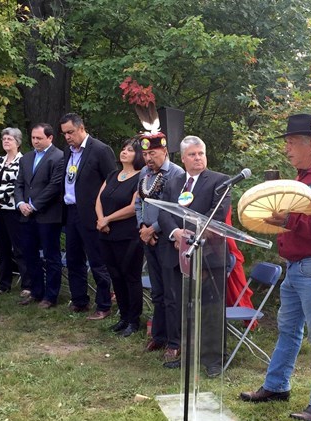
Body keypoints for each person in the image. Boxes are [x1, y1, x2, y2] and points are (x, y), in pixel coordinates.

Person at [240, 113, 311, 421]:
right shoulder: (302, 177)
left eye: (291, 143)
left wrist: (291, 221)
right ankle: (277, 387)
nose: (287, 149)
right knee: (288, 331)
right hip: (297, 267)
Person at [158, 135, 231, 375]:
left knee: (210, 308)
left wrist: (192, 236)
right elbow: (164, 213)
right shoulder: (174, 181)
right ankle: (188, 354)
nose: (198, 158)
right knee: (183, 305)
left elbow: (217, 215)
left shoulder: (220, 181)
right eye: (192, 154)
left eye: (201, 153)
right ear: (182, 158)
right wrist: (176, 233)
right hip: (178, 255)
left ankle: (213, 359)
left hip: (209, 256)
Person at [60, 113, 117, 320]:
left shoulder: (100, 150)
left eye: (71, 132)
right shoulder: (68, 152)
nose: (67, 137)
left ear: (81, 128)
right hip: (71, 211)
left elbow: (112, 183)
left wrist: (105, 216)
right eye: (64, 133)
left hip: (93, 213)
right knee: (74, 258)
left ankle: (103, 304)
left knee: (97, 260)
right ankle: (79, 300)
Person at [134, 131, 184, 361]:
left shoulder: (176, 174)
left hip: (166, 238)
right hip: (147, 236)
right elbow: (139, 202)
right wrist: (142, 228)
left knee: (171, 294)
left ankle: (175, 342)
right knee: (157, 292)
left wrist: (153, 229)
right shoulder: (144, 172)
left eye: (152, 153)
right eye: (145, 154)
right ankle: (159, 335)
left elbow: (174, 209)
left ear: (164, 151)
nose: (148, 158)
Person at [95, 138, 146, 337]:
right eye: (123, 149)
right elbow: (99, 198)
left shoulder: (141, 177)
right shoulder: (113, 174)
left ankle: (134, 320)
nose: (124, 152)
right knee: (115, 275)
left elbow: (134, 207)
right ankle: (123, 316)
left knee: (130, 276)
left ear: (139, 155)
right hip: (106, 233)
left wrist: (108, 219)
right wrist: (101, 219)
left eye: (130, 150)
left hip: (128, 234)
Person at [15, 123, 65, 308]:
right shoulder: (26, 158)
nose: (35, 141)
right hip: (26, 215)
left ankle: (50, 296)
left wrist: (34, 205)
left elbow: (54, 186)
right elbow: (19, 183)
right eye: (33, 138)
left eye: (39, 138)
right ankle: (36, 291)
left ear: (50, 138)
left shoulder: (58, 157)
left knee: (51, 257)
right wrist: (20, 203)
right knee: (30, 255)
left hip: (48, 215)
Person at [0, 127, 32, 297]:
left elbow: (16, 184)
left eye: (9, 139)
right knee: (2, 247)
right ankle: (4, 284)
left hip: (14, 209)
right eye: (4, 138)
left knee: (20, 248)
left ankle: (27, 285)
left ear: (17, 142)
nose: (5, 141)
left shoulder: (23, 161)